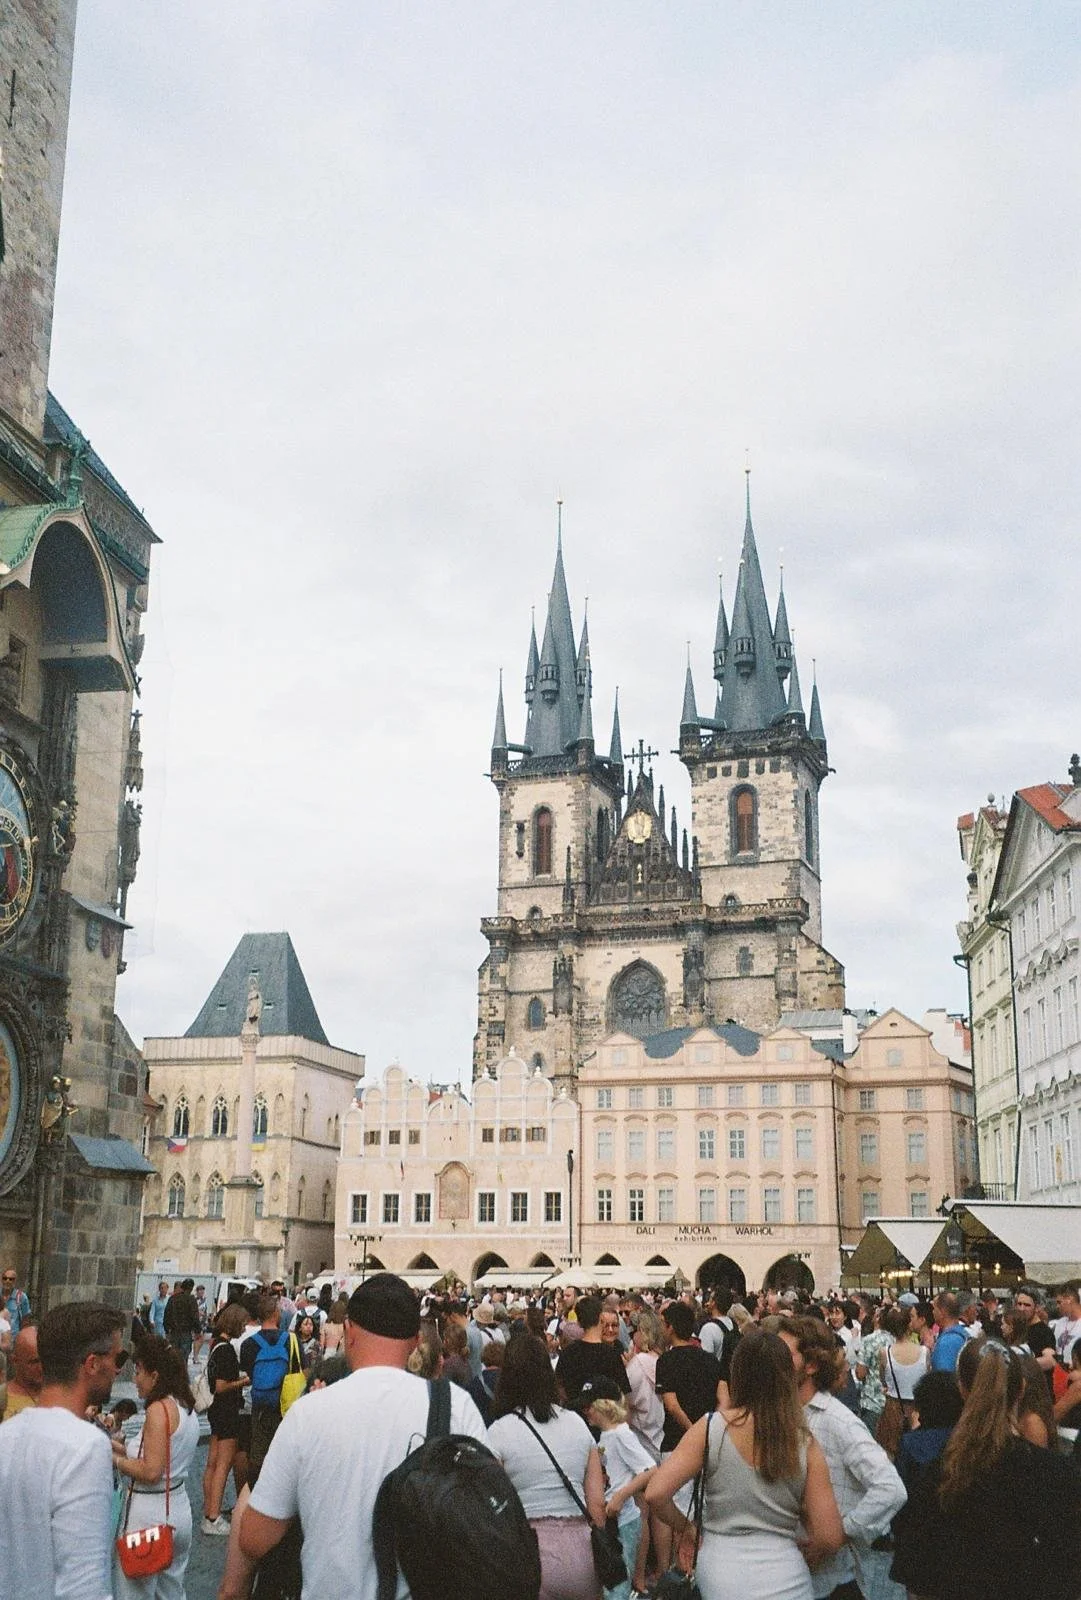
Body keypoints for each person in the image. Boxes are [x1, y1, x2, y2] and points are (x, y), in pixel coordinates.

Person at [239, 1273, 485, 1597]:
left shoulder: (309, 1412)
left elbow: (255, 1538)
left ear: (349, 1332)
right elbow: (483, 1527)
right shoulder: (455, 1405)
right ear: (415, 1341)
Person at [645, 1330, 844, 1600]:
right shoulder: (803, 1441)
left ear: (737, 1374)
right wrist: (809, 1554)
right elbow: (829, 1536)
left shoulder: (711, 1428)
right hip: (785, 1573)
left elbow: (656, 1493)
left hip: (721, 1571)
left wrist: (688, 1529)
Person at [891, 1339, 1081, 1598]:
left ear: (962, 1390)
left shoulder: (939, 1474)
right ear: (1022, 1389)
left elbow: (918, 1580)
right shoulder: (1059, 1474)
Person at [0, 1300, 125, 1599]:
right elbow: (84, 1585)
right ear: (92, 1363)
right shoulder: (84, 1446)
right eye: (117, 1358)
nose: (118, 1370)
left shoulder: (6, 1435)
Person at [779, 1315, 906, 1600]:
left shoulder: (837, 1421)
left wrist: (840, 1534)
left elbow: (890, 1488)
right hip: (790, 1578)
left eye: (785, 1354)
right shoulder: (781, 1415)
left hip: (832, 1581)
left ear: (811, 1366)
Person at [488, 1331, 605, 1600]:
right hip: (582, 1555)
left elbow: (493, 1508)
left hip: (527, 1554)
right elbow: (597, 1505)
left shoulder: (499, 1432)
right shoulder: (577, 1424)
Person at [112, 1332, 200, 1600]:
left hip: (148, 1513)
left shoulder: (157, 1410)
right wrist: (115, 1446)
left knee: (134, 1593)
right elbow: (160, 1454)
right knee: (171, 1592)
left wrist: (114, 1460)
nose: (135, 1379)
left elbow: (151, 1471)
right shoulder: (186, 1407)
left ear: (155, 1375)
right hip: (178, 1509)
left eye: (139, 1371)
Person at [582, 1377, 657, 1600]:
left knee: (618, 1583)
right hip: (611, 1520)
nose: (585, 1412)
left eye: (588, 1407)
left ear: (603, 1406)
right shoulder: (605, 1436)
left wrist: (621, 1496)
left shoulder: (621, 1434)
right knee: (611, 1582)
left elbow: (649, 1468)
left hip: (623, 1519)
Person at [202, 1302, 248, 1535]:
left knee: (212, 1463)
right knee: (223, 1465)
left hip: (215, 1412)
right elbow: (221, 1386)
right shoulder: (227, 1350)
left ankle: (207, 1513)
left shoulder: (215, 1345)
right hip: (227, 1411)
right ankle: (214, 1516)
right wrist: (242, 1381)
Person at [240, 1290, 292, 1473]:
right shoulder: (290, 1340)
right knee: (284, 1454)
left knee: (258, 1454)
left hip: (260, 1403)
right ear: (277, 1313)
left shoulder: (249, 1344)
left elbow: (247, 1374)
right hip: (285, 1405)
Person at [556, 1295, 631, 1406]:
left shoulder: (568, 1352)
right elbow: (623, 1395)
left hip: (575, 1415)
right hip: (605, 1418)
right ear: (600, 1319)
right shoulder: (612, 1355)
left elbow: (559, 1387)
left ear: (579, 1323)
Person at [0, 1321, 42, 1419]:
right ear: (15, 1360)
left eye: (44, 1360)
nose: (41, 1368)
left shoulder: (62, 1395)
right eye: (34, 1362)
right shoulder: (3, 1398)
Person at [163, 1277, 200, 1364]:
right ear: (191, 1288)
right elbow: (195, 1316)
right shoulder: (191, 1299)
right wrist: (197, 1330)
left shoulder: (172, 1299)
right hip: (186, 1333)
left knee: (173, 1358)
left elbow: (166, 1316)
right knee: (183, 1358)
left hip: (174, 1333)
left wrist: (167, 1330)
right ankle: (181, 1375)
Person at [929, 1294, 966, 1373]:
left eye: (934, 1308)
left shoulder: (946, 1343)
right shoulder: (964, 1334)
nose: (932, 1312)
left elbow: (943, 1379)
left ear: (942, 1312)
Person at [1051, 1280, 1081, 1365]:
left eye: (1059, 1302)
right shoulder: (1059, 1323)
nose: (1057, 1306)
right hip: (1059, 1371)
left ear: (1069, 1299)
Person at [1, 1266, 30, 1335]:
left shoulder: (21, 1297)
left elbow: (25, 1320)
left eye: (11, 1279)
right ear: (1, 1280)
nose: (7, 1281)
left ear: (15, 1281)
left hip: (13, 1340)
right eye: (5, 1278)